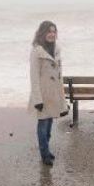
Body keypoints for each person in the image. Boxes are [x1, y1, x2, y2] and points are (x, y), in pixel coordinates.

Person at [28, 20, 69, 166]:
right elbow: (34, 76)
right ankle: (44, 153)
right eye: (49, 31)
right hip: (43, 94)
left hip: (54, 94)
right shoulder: (36, 51)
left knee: (50, 123)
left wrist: (62, 100)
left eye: (54, 31)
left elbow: (60, 76)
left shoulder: (56, 49)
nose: (52, 34)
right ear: (42, 33)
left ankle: (46, 149)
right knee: (43, 124)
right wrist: (37, 99)